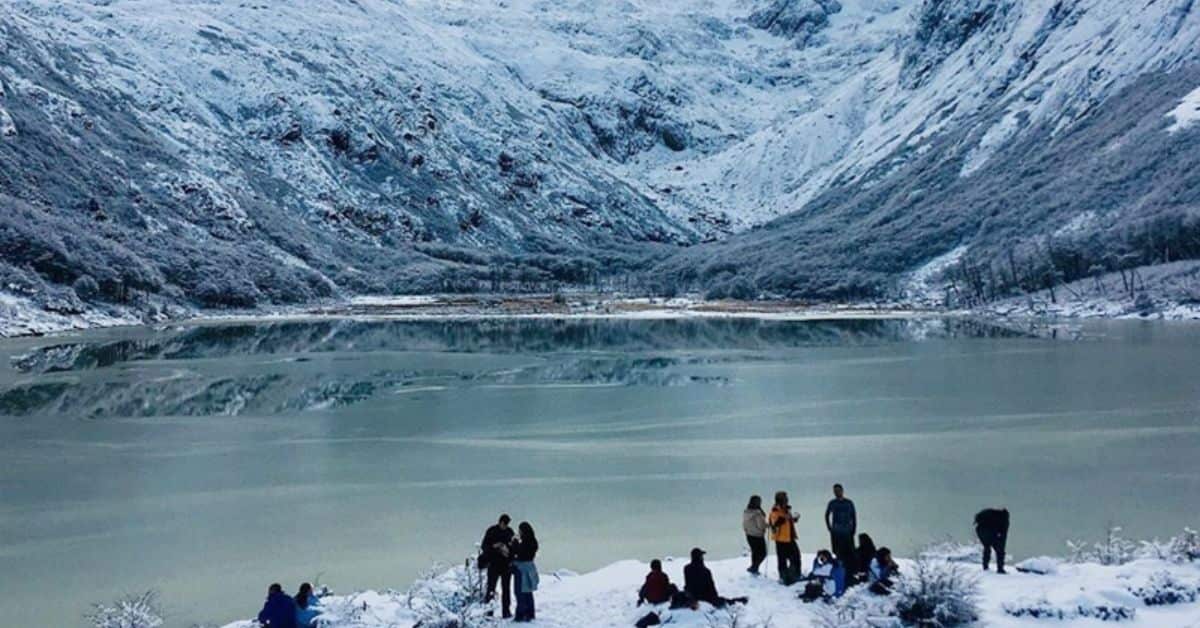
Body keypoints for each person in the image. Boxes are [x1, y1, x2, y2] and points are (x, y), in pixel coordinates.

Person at [684, 548, 748, 608]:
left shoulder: (686, 568)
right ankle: (741, 600)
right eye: (701, 556)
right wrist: (715, 598)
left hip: (692, 597)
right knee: (724, 601)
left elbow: (688, 583)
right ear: (700, 558)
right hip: (705, 598)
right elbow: (711, 587)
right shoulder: (706, 571)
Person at [480, 514, 516, 618]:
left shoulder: (510, 532)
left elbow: (513, 547)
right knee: (491, 588)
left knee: (506, 589)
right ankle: (488, 612)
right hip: (494, 564)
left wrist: (508, 551)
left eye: (507, 524)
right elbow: (484, 546)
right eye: (504, 523)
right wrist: (495, 546)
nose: (505, 526)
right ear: (500, 522)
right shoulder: (491, 531)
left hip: (505, 565)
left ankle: (506, 611)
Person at [769, 491, 802, 584]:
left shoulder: (786, 510)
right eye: (785, 499)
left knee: (796, 557)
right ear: (781, 500)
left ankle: (795, 574)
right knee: (782, 559)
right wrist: (786, 517)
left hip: (790, 537)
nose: (787, 500)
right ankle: (784, 576)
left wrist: (794, 519)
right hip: (781, 539)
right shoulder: (775, 510)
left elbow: (788, 521)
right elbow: (775, 523)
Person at [825, 484, 858, 573]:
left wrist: (854, 528)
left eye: (838, 490)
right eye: (835, 491)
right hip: (836, 531)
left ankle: (851, 569)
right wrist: (829, 527)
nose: (837, 492)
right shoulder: (832, 503)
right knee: (837, 551)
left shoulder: (849, 502)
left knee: (850, 551)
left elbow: (854, 516)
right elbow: (827, 515)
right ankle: (840, 569)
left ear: (842, 491)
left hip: (847, 531)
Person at [511, 521, 540, 622]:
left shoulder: (525, 543)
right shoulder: (533, 541)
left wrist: (514, 543)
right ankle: (530, 613)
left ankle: (521, 614)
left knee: (519, 592)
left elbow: (519, 553)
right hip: (530, 568)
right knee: (528, 592)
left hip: (521, 569)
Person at [975, 507, 1010, 574]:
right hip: (991, 532)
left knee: (987, 547)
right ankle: (1000, 569)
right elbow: (1004, 534)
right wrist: (1001, 548)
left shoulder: (990, 514)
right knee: (1000, 552)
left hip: (980, 530)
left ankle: (985, 566)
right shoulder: (1004, 519)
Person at [743, 495, 768, 575]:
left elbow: (744, 524)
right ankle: (754, 567)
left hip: (749, 535)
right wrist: (769, 525)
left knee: (755, 552)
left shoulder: (746, 511)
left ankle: (754, 568)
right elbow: (761, 525)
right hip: (758, 535)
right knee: (763, 553)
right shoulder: (757, 513)